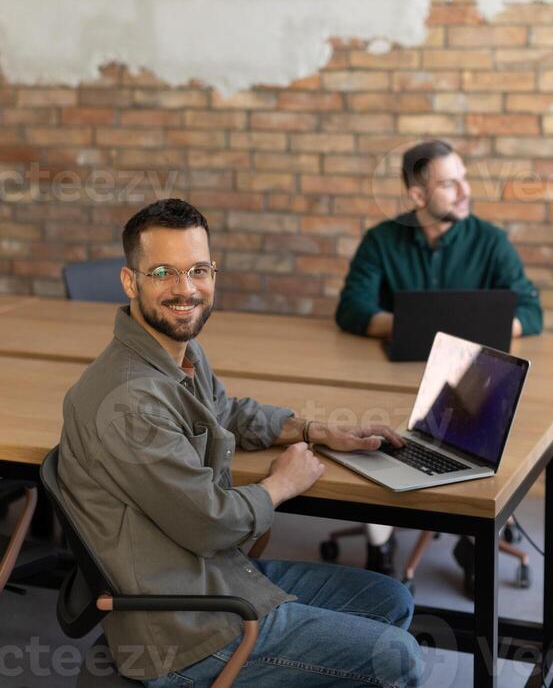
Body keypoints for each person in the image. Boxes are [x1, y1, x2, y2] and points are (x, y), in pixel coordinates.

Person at [57, 199, 424, 687]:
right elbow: (210, 523)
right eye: (164, 272)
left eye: (199, 270)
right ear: (131, 282)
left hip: (215, 577)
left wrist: (314, 430)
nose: (185, 289)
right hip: (186, 631)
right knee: (394, 657)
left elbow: (224, 412)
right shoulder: (130, 399)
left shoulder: (176, 353)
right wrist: (281, 485)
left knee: (390, 599)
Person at [335, 139, 543, 578]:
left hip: (472, 383)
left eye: (464, 178)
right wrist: (418, 326)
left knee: (480, 437)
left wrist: (454, 330)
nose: (466, 191)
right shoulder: (382, 240)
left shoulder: (491, 241)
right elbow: (352, 309)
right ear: (418, 196)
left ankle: (474, 543)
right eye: (450, 183)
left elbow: (530, 312)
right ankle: (380, 545)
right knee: (373, 429)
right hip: (396, 378)